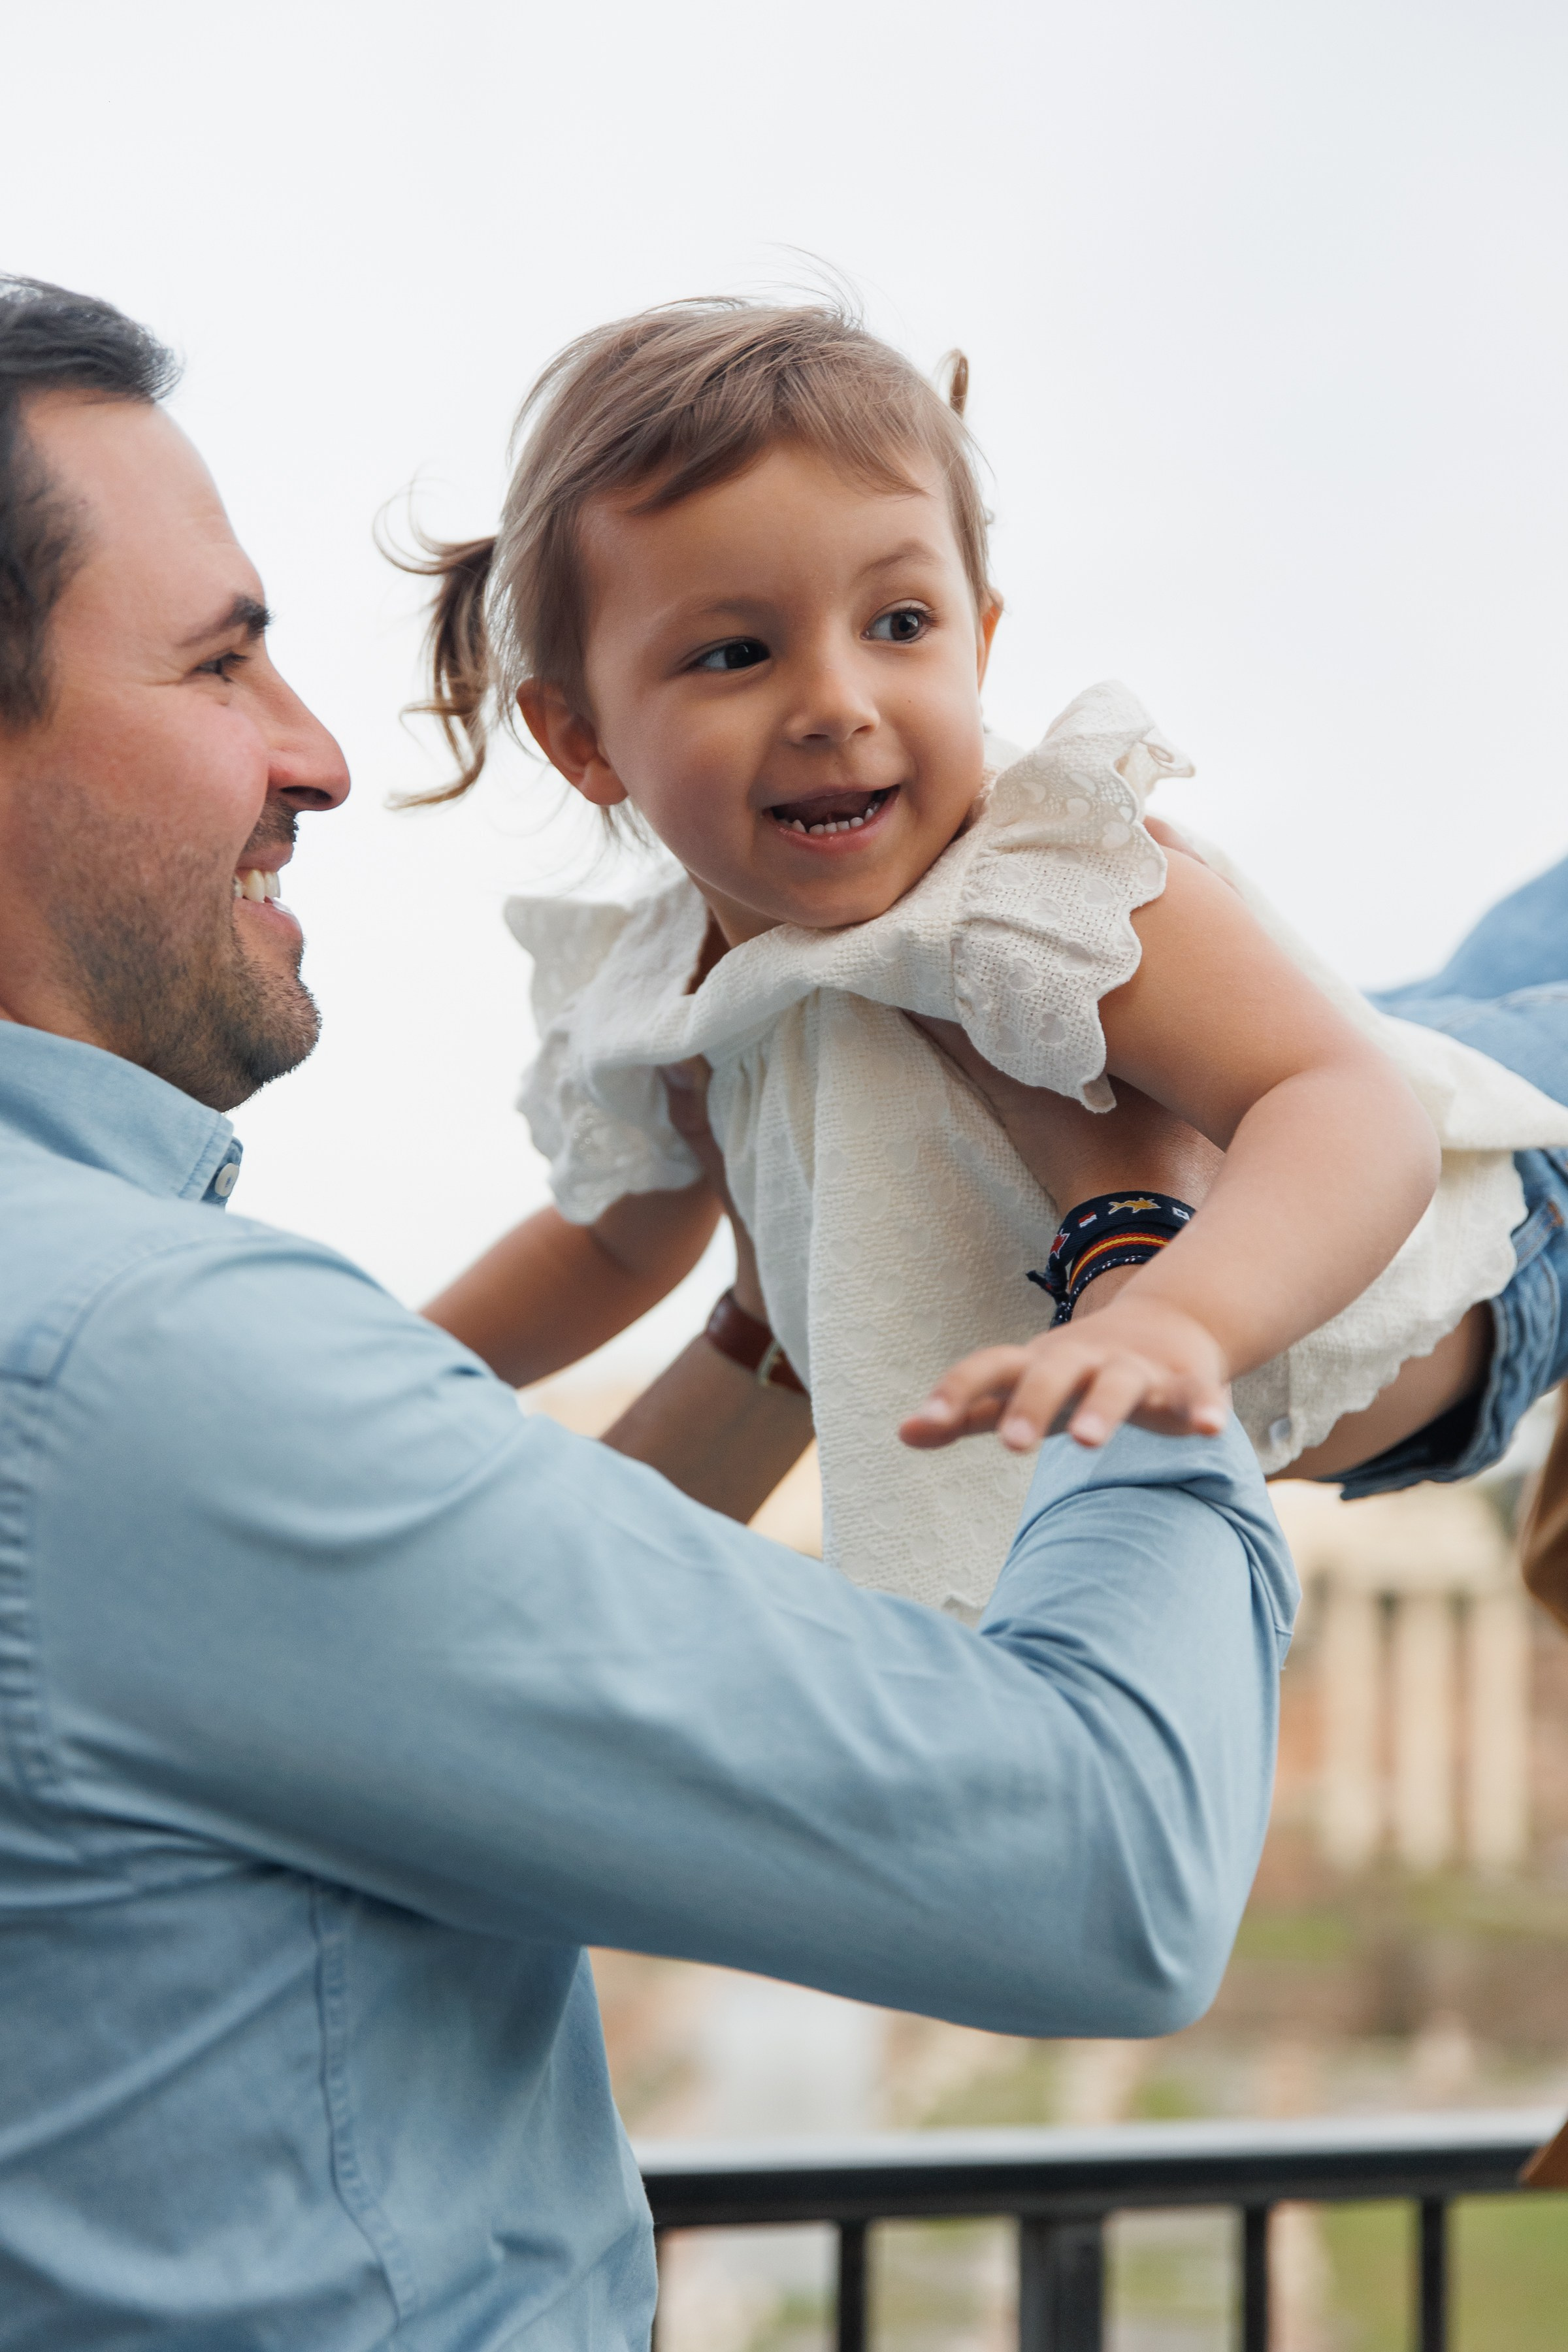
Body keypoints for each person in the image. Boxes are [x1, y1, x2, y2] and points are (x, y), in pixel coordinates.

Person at [0, 274, 1298, 2347]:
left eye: (900, 620)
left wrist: (767, 1345)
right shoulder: (122, 1366)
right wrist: (1139, 1246)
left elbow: (429, 1666)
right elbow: (1109, 1871)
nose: (320, 753)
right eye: (221, 660)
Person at [406, 297, 1568, 1611]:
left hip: (1507, 1232)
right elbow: (612, 1251)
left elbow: (1349, 1104)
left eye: (899, 623)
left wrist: (1178, 1317)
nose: (837, 705)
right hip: (1342, 1068)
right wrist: (377, 1376)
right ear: (584, 741)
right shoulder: (664, 991)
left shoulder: (1021, 890)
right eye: (736, 652)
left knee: (1491, 1035)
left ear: (984, 641)